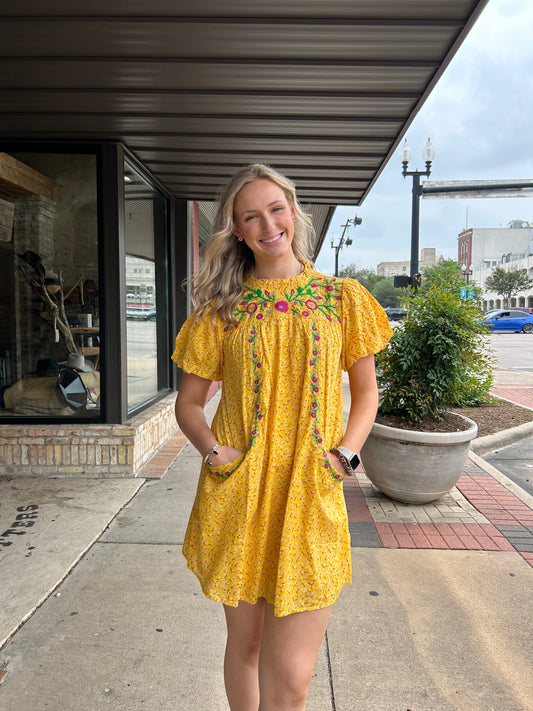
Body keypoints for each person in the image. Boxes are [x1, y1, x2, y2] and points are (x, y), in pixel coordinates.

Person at [172, 164, 392, 711]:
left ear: (294, 212)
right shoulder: (221, 310)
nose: (268, 223)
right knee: (245, 645)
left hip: (309, 493)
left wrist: (345, 456)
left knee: (292, 676)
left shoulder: (342, 298)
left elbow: (366, 394)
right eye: (251, 216)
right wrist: (214, 452)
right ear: (237, 230)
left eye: (276, 208)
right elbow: (189, 404)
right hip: (240, 492)